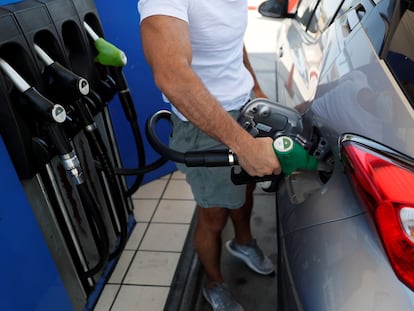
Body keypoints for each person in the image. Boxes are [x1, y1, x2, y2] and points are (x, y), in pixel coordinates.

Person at [137, 1, 281, 310]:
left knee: (245, 189)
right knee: (213, 215)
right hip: (205, 125)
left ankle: (243, 243)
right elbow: (172, 74)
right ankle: (214, 283)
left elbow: (230, 41)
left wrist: (255, 86)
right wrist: (244, 146)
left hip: (244, 108)